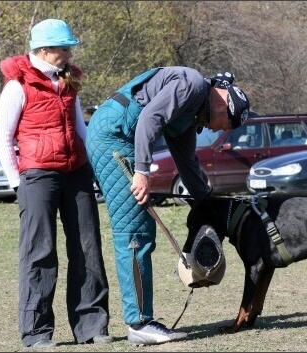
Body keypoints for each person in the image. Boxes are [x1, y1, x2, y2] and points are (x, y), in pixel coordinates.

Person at [85, 67, 250, 345]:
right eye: (225, 124)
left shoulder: (190, 111)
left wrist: (208, 202)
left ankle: (141, 320)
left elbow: (186, 163)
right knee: (134, 231)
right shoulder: (192, 86)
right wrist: (142, 171)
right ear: (222, 103)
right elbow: (150, 117)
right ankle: (139, 323)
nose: (219, 130)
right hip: (113, 136)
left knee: (140, 229)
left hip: (118, 134)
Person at [0, 19, 112, 349]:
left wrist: (97, 167)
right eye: (64, 48)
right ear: (43, 50)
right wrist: (18, 183)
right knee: (39, 254)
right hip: (37, 177)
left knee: (88, 248)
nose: (69, 53)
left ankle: (92, 326)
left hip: (77, 173)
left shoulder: (68, 80)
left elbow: (81, 129)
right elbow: (4, 138)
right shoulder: (18, 86)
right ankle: (36, 332)